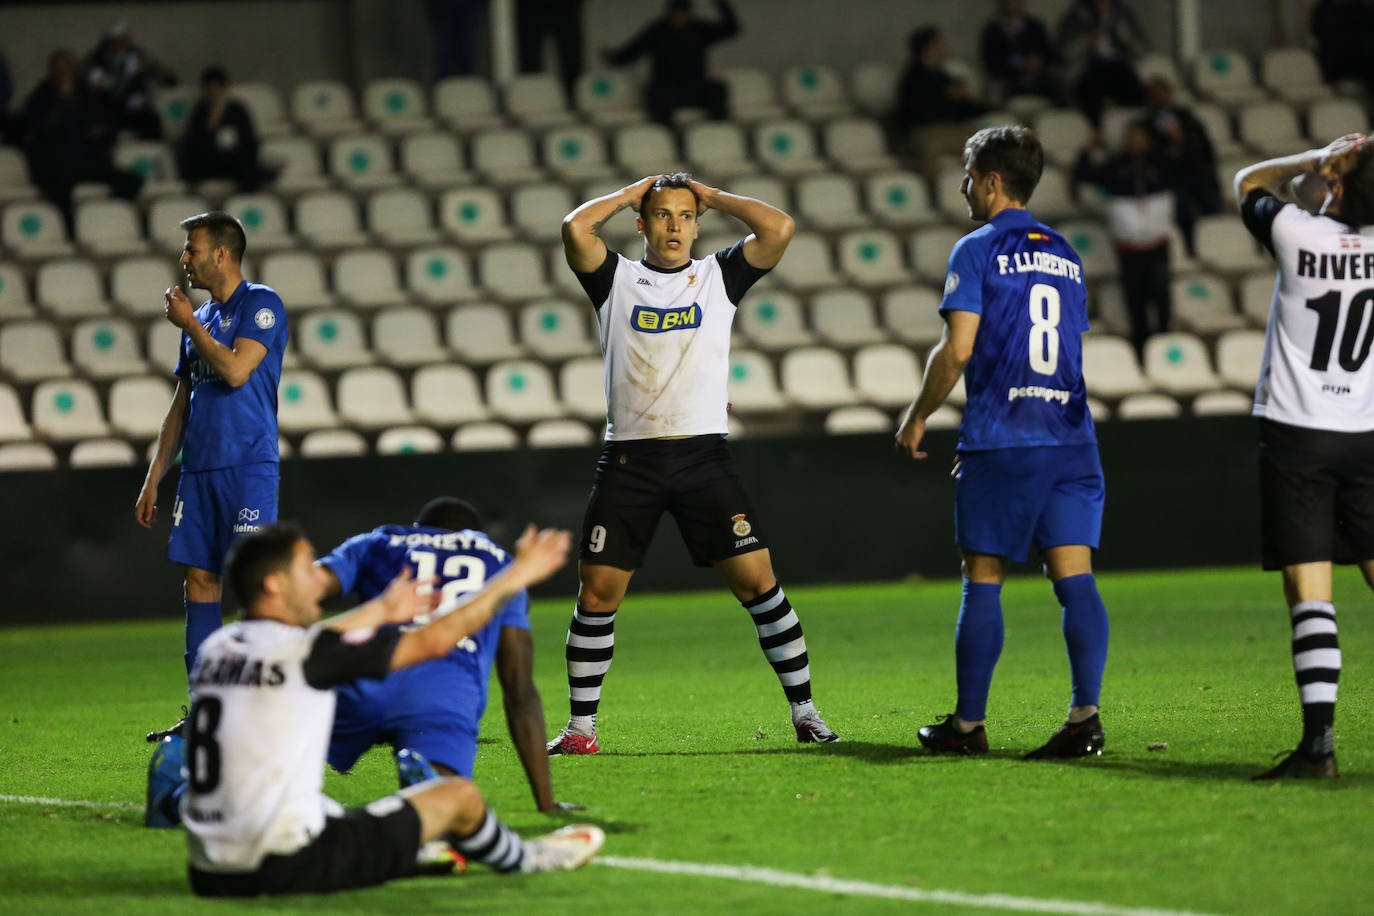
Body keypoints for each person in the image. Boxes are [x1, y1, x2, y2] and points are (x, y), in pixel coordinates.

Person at [143, 521, 604, 895]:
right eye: (307, 570)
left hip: (207, 869)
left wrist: (380, 609)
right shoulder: (306, 655)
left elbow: (315, 640)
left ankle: (174, 788)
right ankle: (529, 859)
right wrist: (517, 574)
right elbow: (435, 639)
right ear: (274, 584)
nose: (317, 581)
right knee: (457, 798)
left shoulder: (219, 648)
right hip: (286, 865)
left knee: (318, 801)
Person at [549, 172, 838, 754]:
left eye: (685, 215)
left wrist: (714, 195)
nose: (675, 225)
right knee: (597, 595)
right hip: (630, 457)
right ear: (641, 224)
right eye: (661, 215)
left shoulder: (717, 276)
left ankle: (806, 713)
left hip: (702, 456)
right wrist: (634, 191)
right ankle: (582, 729)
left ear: (698, 223)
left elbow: (779, 227)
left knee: (759, 585)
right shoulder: (616, 279)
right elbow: (575, 226)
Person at [895, 125, 1109, 760]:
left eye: (968, 175)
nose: (962, 186)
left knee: (983, 577)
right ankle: (1085, 718)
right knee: (1076, 580)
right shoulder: (1068, 252)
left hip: (1004, 438)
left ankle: (967, 727)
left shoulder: (977, 248)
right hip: (1071, 438)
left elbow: (957, 349)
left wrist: (916, 414)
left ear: (991, 182)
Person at [1233, 131, 1374, 779]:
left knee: (1310, 588)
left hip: (1299, 430)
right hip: (1367, 430)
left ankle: (1318, 746)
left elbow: (1249, 184)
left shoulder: (1298, 236)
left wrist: (1313, 160)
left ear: (1337, 187)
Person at [317, 496, 579, 813]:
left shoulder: (380, 539)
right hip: (443, 690)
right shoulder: (500, 564)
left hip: (367, 673)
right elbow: (519, 690)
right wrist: (546, 802)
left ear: (418, 528)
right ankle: (423, 806)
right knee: (441, 802)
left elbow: (309, 585)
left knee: (285, 756)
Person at [136, 211, 287, 743]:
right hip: (199, 471)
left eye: (191, 249)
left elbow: (237, 370)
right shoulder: (201, 317)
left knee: (253, 587)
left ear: (221, 253)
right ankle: (207, 711)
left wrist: (191, 327)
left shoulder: (261, 305)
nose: (185, 259)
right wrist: (154, 477)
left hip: (247, 466)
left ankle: (260, 712)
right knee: (200, 581)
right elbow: (181, 405)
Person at [1074, 121, 1177, 358]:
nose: (1135, 142)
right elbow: (1084, 173)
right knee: (1136, 304)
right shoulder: (1115, 166)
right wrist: (1087, 149)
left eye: (1140, 136)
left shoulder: (1162, 163)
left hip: (1157, 246)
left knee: (1162, 299)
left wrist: (1175, 141)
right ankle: (1142, 353)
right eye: (1131, 136)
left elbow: (1189, 166)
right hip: (1129, 250)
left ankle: (1164, 348)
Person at [19, 49, 143, 228]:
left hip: (87, 160)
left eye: (68, 68)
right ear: (51, 71)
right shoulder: (42, 94)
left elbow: (108, 123)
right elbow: (39, 129)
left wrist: (101, 131)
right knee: (58, 190)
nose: (65, 73)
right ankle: (70, 232)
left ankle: (105, 214)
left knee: (131, 180)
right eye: (60, 69)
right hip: (56, 163)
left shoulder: (87, 92)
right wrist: (62, 99)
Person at [601, 0, 739, 125]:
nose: (681, 17)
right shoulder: (657, 30)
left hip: (695, 86)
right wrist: (614, 59)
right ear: (670, 14)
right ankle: (669, 139)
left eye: (685, 14)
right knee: (657, 97)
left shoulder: (699, 28)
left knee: (717, 89)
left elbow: (731, 29)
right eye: (678, 14)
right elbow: (633, 51)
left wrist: (720, 3)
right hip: (666, 87)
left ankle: (714, 133)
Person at [893, 26, 991, 178]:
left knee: (985, 141)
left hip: (952, 128)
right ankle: (934, 188)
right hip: (926, 131)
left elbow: (964, 107)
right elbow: (914, 112)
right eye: (939, 45)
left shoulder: (943, 76)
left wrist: (986, 105)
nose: (944, 49)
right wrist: (943, 96)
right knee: (931, 147)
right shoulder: (912, 78)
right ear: (927, 48)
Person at [1141, 76, 1220, 255]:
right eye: (1154, 94)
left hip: (1194, 172)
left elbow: (1204, 147)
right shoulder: (1144, 124)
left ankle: (1214, 244)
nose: (1159, 98)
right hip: (1167, 178)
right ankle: (1190, 250)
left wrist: (1181, 141)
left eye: (1162, 93)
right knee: (1181, 207)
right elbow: (1146, 154)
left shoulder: (1187, 117)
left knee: (1210, 196)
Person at [179, 66, 275, 192]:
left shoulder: (237, 110)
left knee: (248, 167)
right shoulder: (200, 111)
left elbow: (249, 139)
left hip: (234, 158)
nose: (214, 92)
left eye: (217, 87)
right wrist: (212, 123)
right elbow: (194, 143)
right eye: (210, 88)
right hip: (209, 160)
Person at [1056, 0, 1146, 126]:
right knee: (1091, 90)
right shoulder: (1076, 15)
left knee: (1135, 89)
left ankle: (1136, 129)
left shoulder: (1122, 13)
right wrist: (1085, 42)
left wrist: (1129, 41)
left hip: (1119, 65)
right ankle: (1096, 130)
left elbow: (1141, 48)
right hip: (1089, 68)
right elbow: (1063, 51)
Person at [978, 0, 1061, 105]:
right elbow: (991, 63)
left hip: (1038, 81)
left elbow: (1050, 54)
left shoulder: (1035, 27)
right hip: (1008, 83)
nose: (1012, 4)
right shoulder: (993, 31)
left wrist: (1039, 63)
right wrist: (1021, 65)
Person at [516, 0, 586, 106]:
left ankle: (575, 101)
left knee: (571, 57)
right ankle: (533, 100)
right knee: (529, 58)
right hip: (530, 7)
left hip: (565, 6)